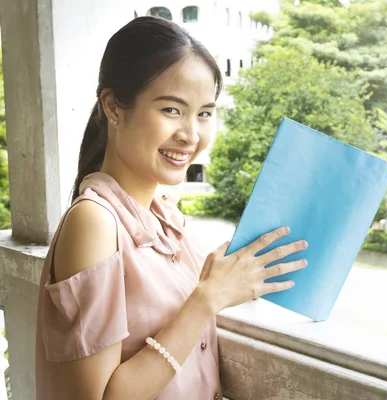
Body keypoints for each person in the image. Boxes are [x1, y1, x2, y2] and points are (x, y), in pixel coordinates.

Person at [35, 16, 308, 400]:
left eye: (205, 113)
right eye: (171, 110)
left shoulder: (164, 218)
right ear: (114, 106)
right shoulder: (94, 221)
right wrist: (207, 297)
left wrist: (218, 279)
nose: (191, 135)